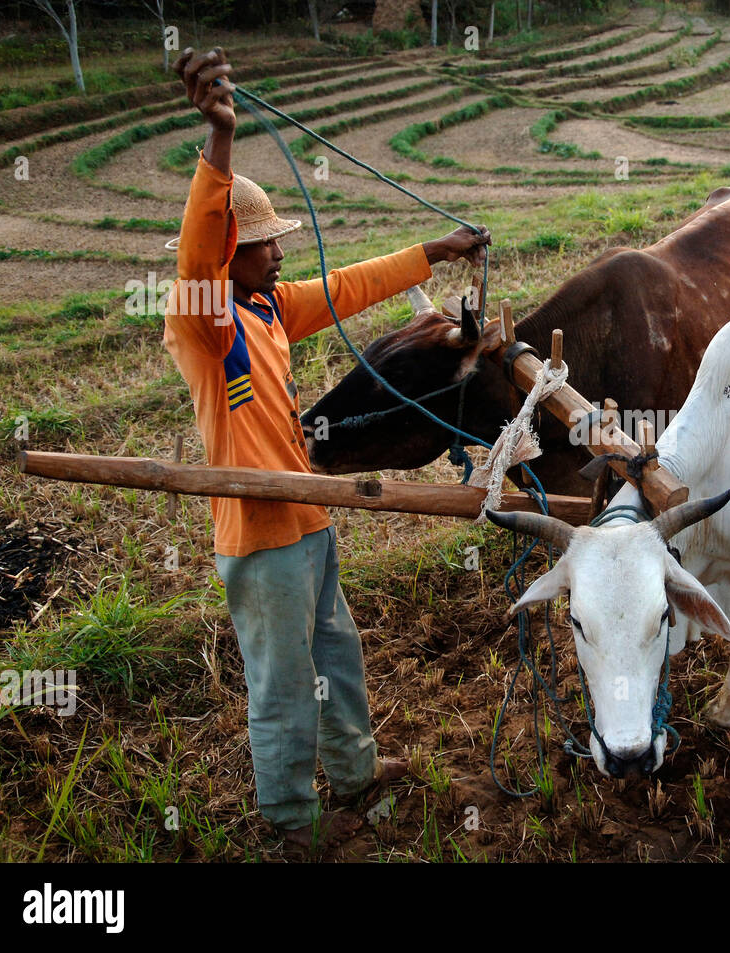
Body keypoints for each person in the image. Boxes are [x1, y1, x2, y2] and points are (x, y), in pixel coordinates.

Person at [162, 47, 490, 849]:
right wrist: (220, 138)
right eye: (264, 242)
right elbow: (196, 250)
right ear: (230, 250)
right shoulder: (205, 320)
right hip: (260, 538)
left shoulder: (268, 307)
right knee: (281, 686)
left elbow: (349, 287)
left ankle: (355, 776)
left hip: (312, 520)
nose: (280, 253)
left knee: (338, 657)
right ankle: (289, 821)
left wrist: (436, 252)